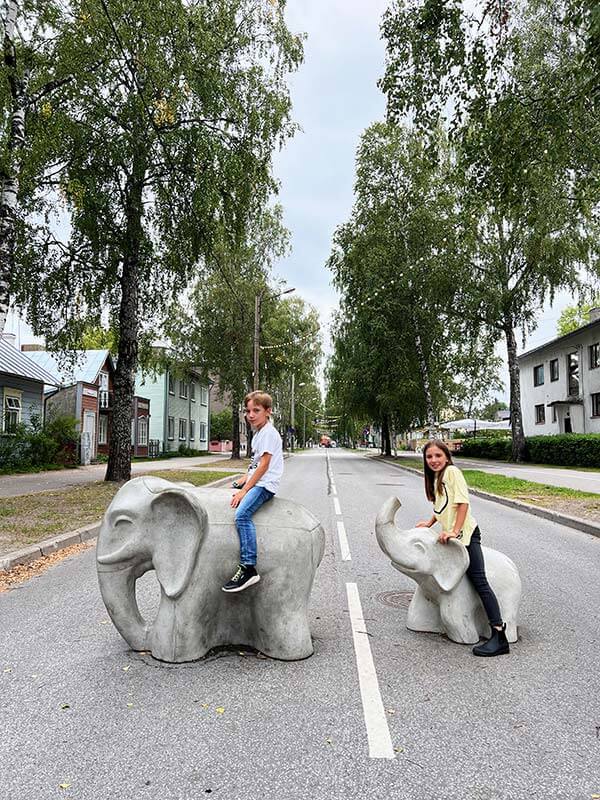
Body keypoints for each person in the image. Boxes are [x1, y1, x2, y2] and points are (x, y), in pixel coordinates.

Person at [416, 440, 510, 657]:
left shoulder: (452, 472)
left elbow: (462, 503)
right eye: (429, 457)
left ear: (447, 457)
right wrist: (430, 522)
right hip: (455, 538)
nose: (434, 460)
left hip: (466, 536)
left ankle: (499, 634)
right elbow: (442, 506)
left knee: (480, 582)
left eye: (438, 456)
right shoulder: (438, 478)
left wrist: (455, 532)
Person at [222, 390, 283, 593]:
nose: (250, 415)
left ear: (268, 411)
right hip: (257, 480)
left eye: (256, 410)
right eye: (248, 411)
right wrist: (243, 479)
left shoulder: (268, 433)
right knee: (230, 491)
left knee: (241, 515)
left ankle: (248, 567)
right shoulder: (258, 433)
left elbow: (264, 466)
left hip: (265, 485)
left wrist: (245, 490)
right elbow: (255, 465)